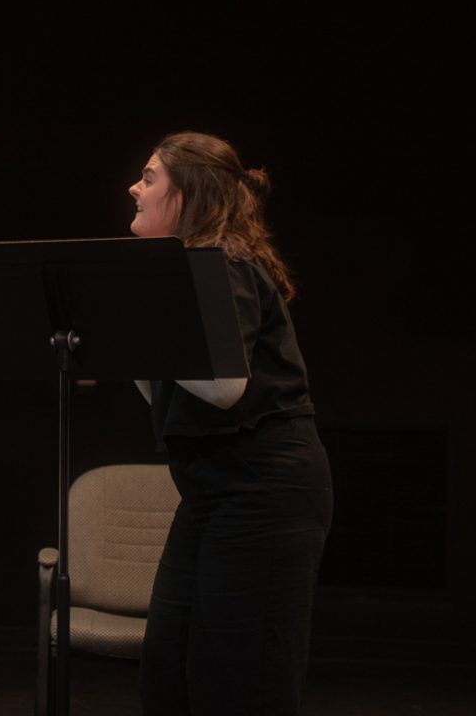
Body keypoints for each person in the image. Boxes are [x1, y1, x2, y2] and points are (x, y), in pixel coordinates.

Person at [128, 131, 333, 715]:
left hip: (265, 491)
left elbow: (223, 388)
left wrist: (140, 329)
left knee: (241, 682)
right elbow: (161, 392)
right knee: (169, 669)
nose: (134, 189)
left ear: (186, 192)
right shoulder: (181, 271)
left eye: (149, 178)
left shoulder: (222, 265)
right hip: (212, 493)